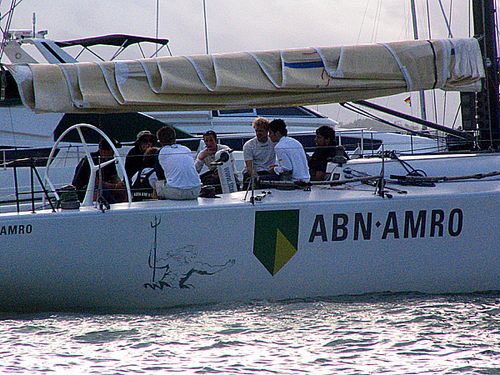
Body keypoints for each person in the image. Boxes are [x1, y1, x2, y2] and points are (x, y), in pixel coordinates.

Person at [72, 139, 126, 203]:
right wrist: (114, 186)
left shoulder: (110, 159)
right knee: (103, 191)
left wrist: (119, 184)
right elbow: (95, 181)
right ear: (104, 151)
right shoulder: (91, 159)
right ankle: (113, 205)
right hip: (85, 189)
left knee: (122, 190)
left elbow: (114, 176)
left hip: (102, 186)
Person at [156, 126, 201, 200]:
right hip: (196, 191)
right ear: (174, 138)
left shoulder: (161, 152)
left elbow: (159, 175)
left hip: (176, 193)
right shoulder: (186, 149)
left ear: (160, 141)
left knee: (159, 183)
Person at [242, 117, 275, 187]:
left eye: (261, 131)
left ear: (267, 131)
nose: (258, 133)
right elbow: (249, 167)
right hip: (253, 172)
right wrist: (255, 177)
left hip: (268, 173)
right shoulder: (249, 145)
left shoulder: (274, 142)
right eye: (256, 131)